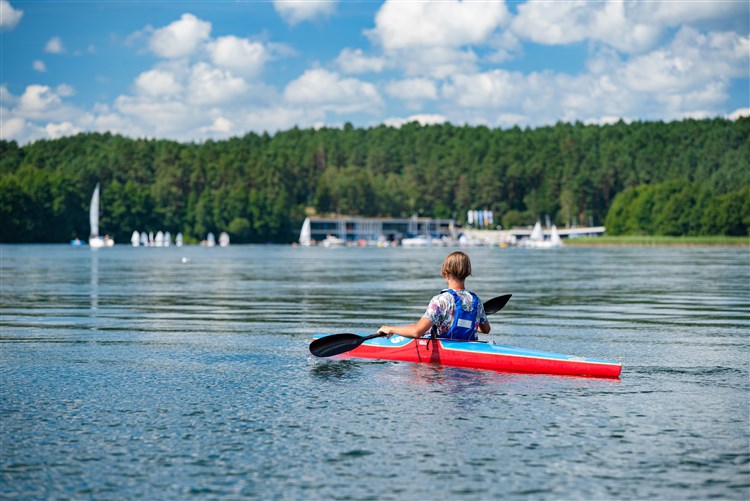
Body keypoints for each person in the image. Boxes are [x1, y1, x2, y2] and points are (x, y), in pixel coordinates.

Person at [378, 251, 490, 340]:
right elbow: (486, 329)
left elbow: (417, 332)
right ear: (467, 273)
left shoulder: (441, 300)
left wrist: (390, 329)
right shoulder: (476, 301)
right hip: (469, 350)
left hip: (445, 358)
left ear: (446, 273)